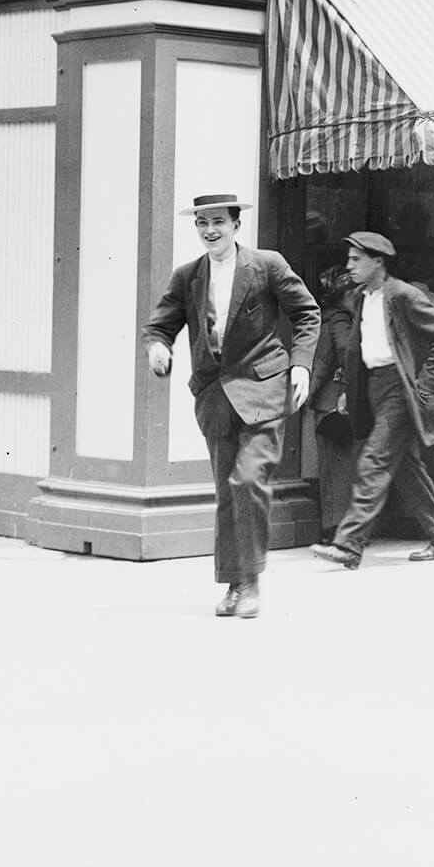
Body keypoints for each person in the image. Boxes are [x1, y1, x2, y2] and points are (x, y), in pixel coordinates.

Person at [143, 192, 319, 619]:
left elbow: (308, 314)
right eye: (202, 223)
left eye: (218, 222)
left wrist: (301, 366)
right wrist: (158, 348)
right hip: (215, 398)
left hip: (263, 392)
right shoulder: (188, 276)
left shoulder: (267, 265)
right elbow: (159, 325)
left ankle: (252, 581)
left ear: (236, 225)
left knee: (247, 481)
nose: (210, 231)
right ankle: (234, 583)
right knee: (227, 493)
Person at [311, 231, 434, 570]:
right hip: (373, 388)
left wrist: (425, 387)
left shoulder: (404, 295)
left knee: (374, 461)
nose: (349, 265)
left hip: (400, 388)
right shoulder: (360, 297)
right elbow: (359, 347)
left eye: (356, 259)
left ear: (378, 261)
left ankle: (349, 544)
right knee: (407, 469)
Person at [306, 265, 359, 540]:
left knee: (335, 469)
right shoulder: (340, 319)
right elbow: (345, 352)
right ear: (342, 296)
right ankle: (338, 529)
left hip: (327, 400)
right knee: (339, 470)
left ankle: (336, 528)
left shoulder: (332, 317)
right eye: (352, 292)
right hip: (335, 401)